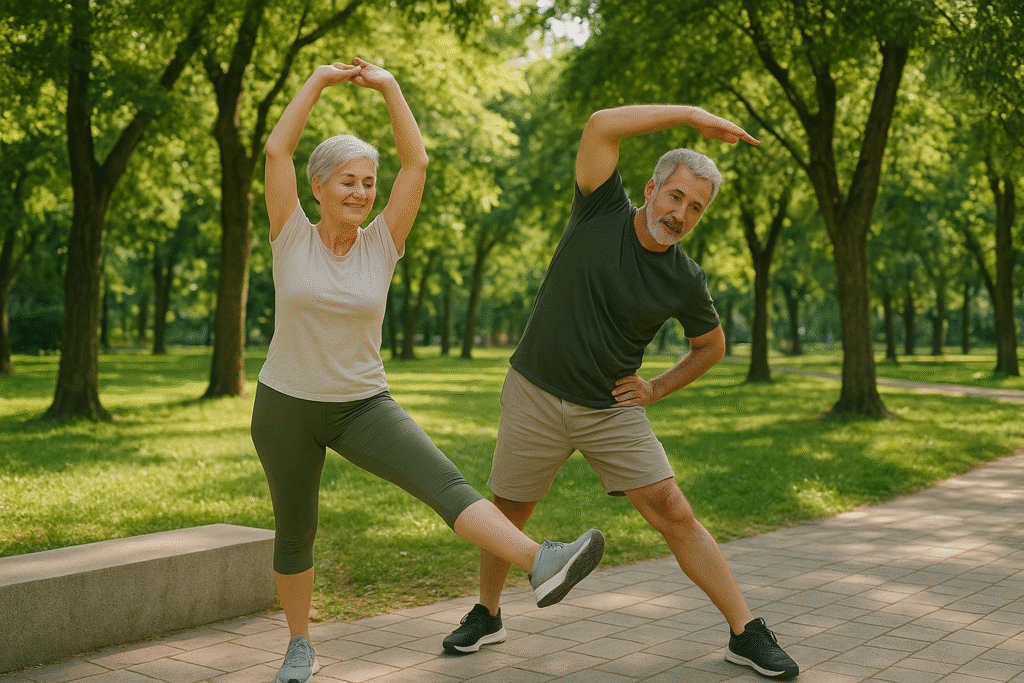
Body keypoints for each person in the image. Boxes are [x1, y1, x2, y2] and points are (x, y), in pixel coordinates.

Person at [254, 60, 605, 683]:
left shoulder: (382, 242)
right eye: (347, 182)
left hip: (363, 404)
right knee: (295, 531)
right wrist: (318, 80)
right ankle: (299, 645)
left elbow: (415, 165)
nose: (361, 192)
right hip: (286, 406)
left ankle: (542, 560)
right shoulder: (290, 235)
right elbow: (277, 147)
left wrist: (390, 88)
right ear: (316, 187)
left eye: (368, 181)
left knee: (444, 482)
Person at [441, 105, 800, 679]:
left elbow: (711, 347)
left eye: (696, 208)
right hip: (535, 390)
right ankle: (486, 615)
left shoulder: (685, 277)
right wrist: (691, 117)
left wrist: (655, 388)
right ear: (653, 187)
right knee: (509, 510)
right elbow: (602, 123)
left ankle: (746, 631)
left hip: (609, 409)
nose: (681, 214)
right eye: (676, 196)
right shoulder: (601, 206)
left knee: (673, 511)